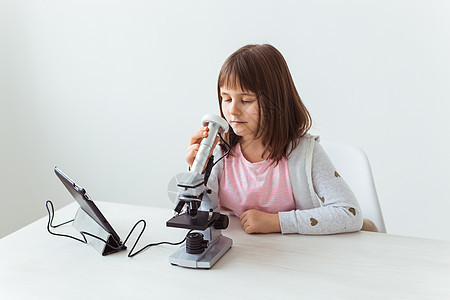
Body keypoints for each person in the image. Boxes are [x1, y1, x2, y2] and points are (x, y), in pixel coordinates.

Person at [186, 44, 372, 234]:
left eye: (246, 100)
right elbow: (195, 214)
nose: (232, 110)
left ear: (275, 101)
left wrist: (277, 222)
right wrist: (197, 172)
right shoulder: (219, 150)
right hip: (240, 252)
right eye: (226, 99)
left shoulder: (305, 153)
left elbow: (350, 214)